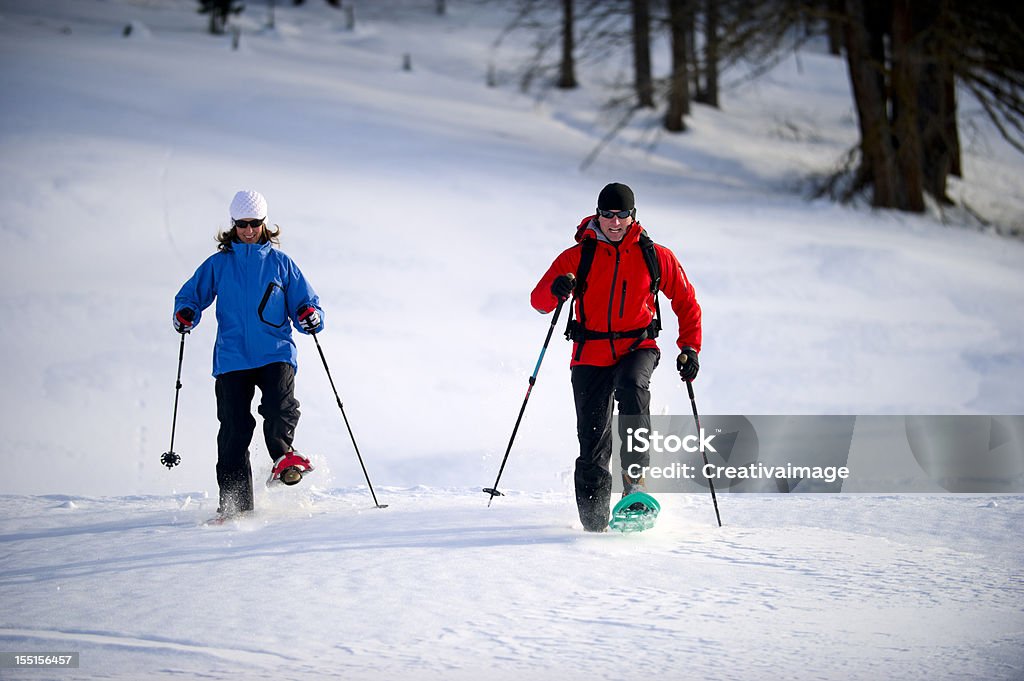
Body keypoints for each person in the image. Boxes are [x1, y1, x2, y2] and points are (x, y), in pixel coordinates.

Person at [531, 182, 702, 532]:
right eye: (607, 214)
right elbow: (538, 301)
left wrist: (689, 348)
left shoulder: (655, 255)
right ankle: (594, 525)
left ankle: (636, 486)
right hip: (589, 353)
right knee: (593, 440)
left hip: (637, 347)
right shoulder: (577, 256)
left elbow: (686, 301)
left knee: (631, 386)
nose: (614, 221)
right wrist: (556, 289)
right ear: (598, 214)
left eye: (621, 214)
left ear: (632, 215)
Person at [173, 190, 324, 518]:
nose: (248, 230)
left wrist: (309, 315)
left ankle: (284, 458)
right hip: (232, 357)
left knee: (279, 406)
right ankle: (235, 506)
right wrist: (186, 312)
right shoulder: (219, 264)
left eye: (255, 223)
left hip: (275, 350)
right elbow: (190, 296)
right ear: (233, 225)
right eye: (242, 224)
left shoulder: (281, 263)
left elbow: (305, 303)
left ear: (264, 224)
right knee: (234, 429)